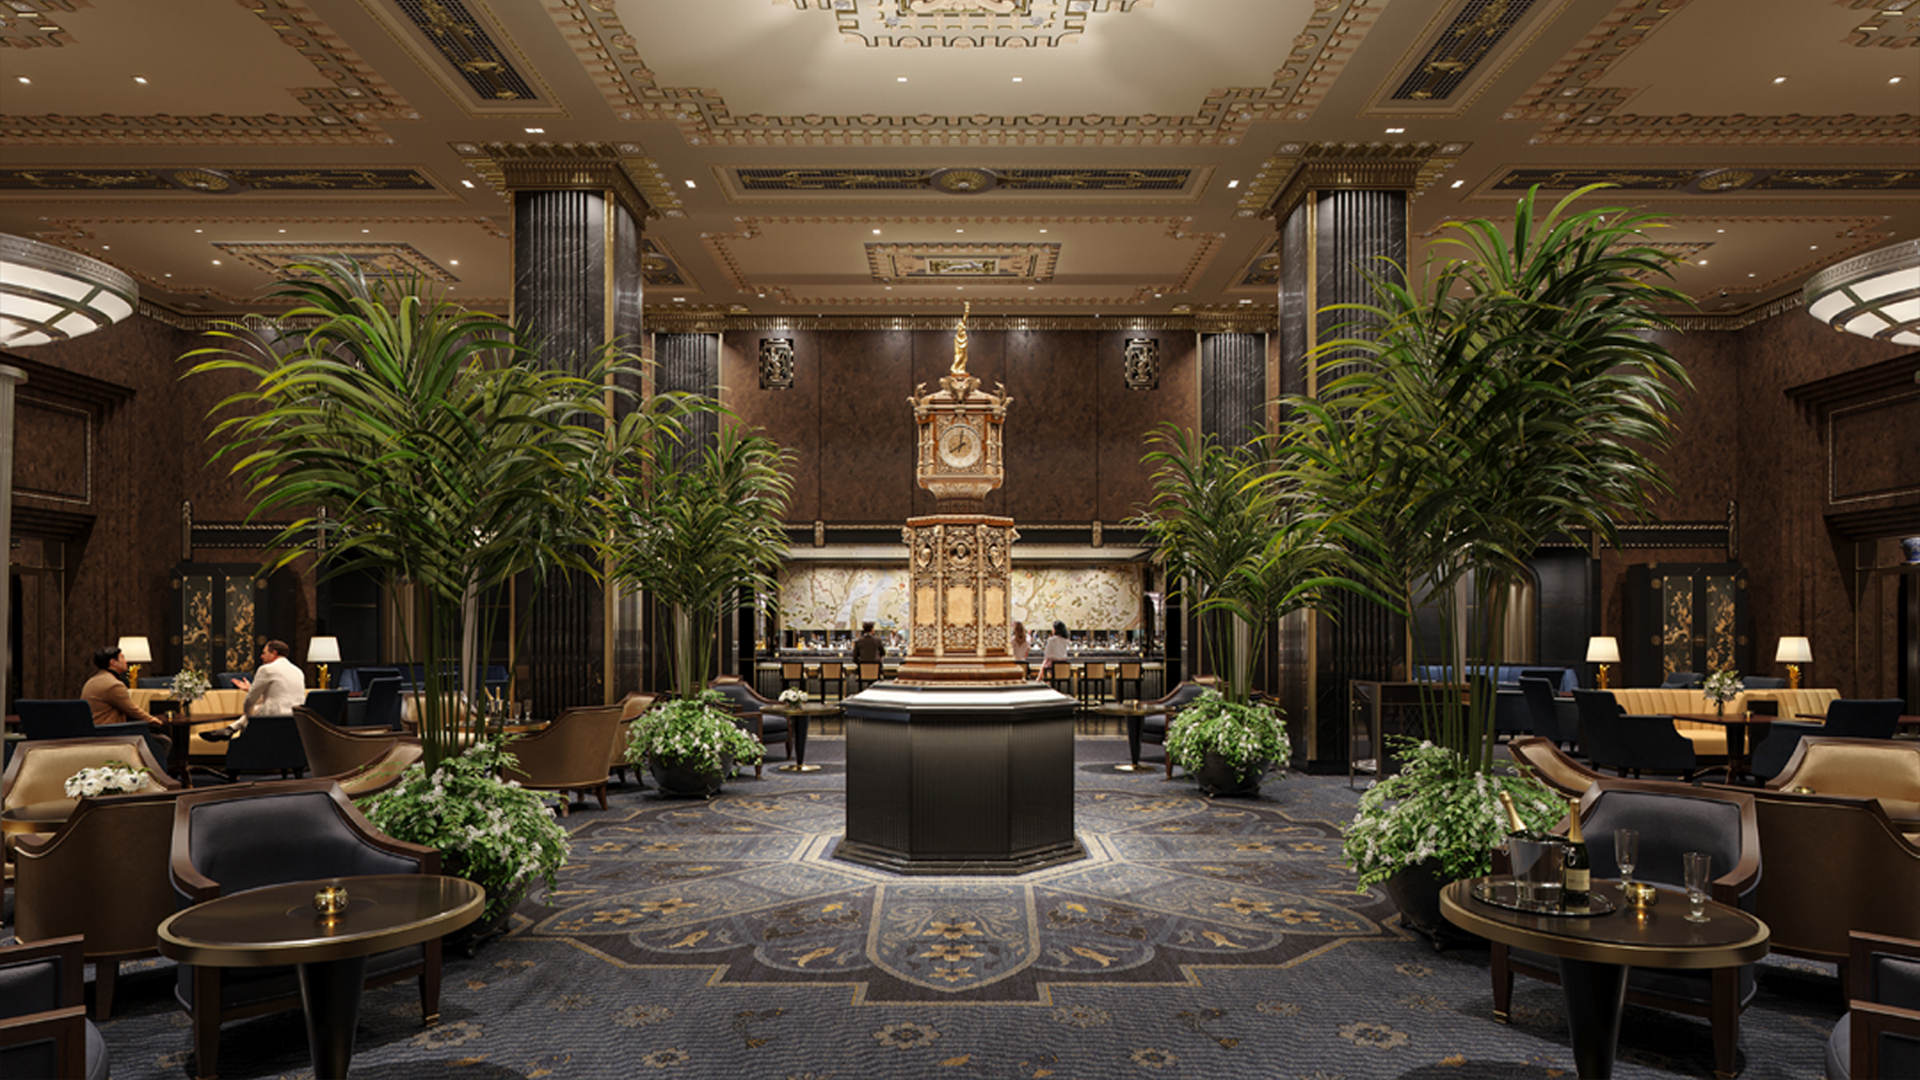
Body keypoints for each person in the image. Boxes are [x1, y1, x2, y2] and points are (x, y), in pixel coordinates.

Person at [81, 645, 173, 757]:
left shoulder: (92, 681)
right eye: (122, 658)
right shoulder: (113, 685)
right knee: (163, 741)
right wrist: (155, 721)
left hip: (93, 730)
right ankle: (150, 769)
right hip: (109, 732)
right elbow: (132, 710)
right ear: (113, 662)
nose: (126, 661)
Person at [218, 638, 307, 737]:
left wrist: (248, 716)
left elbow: (250, 700)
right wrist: (250, 688)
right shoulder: (298, 671)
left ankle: (232, 728)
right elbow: (280, 696)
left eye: (264, 653)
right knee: (260, 706)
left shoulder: (266, 669)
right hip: (295, 722)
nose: (261, 656)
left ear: (274, 653)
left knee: (255, 709)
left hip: (272, 721)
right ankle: (231, 728)